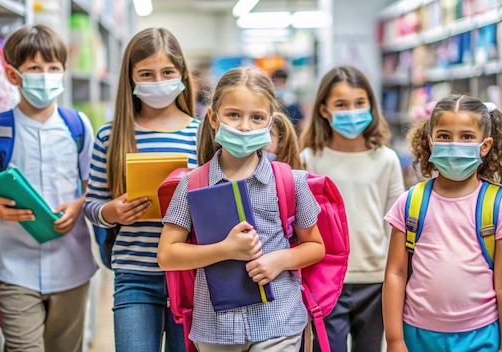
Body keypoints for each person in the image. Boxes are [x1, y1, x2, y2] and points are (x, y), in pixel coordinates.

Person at [158, 67, 325, 352]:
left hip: (279, 322)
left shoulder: (291, 182)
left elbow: (315, 246)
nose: (245, 127)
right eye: (233, 115)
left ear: (269, 123)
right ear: (213, 117)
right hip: (215, 328)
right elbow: (167, 255)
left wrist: (279, 260)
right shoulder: (191, 184)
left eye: (256, 117)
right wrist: (226, 250)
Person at [0, 25, 97, 352]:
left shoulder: (77, 126)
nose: (45, 75)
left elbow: (94, 184)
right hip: (13, 265)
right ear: (12, 75)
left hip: (72, 263)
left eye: (53, 68)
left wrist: (79, 204)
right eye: (35, 68)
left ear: (64, 73)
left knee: (65, 347)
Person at [383, 95, 502, 352]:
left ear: (484, 146)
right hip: (417, 333)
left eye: (466, 137)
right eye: (444, 136)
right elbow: (395, 273)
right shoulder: (411, 202)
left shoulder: (497, 208)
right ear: (430, 143)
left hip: (481, 335)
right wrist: (395, 339)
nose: (455, 144)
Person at [82, 27, 198, 352]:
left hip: (189, 273)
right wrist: (110, 211)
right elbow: (92, 204)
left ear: (182, 75)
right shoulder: (110, 136)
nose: (158, 81)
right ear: (130, 79)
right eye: (146, 74)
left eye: (167, 73)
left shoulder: (201, 134)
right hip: (133, 273)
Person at [300, 65, 404, 352]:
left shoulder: (386, 160)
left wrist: (397, 276)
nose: (352, 111)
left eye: (360, 103)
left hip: (375, 279)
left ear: (371, 106)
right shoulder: (309, 159)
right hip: (325, 279)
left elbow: (396, 225)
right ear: (324, 110)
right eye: (341, 105)